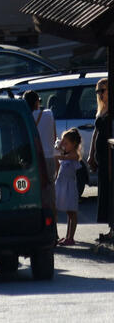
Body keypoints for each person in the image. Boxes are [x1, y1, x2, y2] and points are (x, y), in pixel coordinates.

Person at [87, 77, 113, 242]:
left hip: (110, 158)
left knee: (110, 192)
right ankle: (111, 229)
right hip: (102, 159)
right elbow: (96, 132)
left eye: (102, 90)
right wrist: (91, 153)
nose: (100, 94)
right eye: (98, 91)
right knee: (104, 193)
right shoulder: (101, 109)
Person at [56, 128, 83, 246]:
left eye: (66, 143)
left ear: (74, 144)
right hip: (63, 185)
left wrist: (57, 156)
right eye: (64, 142)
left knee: (72, 213)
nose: (64, 145)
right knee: (69, 213)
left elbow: (64, 158)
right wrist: (59, 145)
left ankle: (71, 237)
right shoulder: (66, 153)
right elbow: (60, 151)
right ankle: (67, 236)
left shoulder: (74, 155)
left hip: (70, 187)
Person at [24, 90, 57, 183]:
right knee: (49, 189)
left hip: (32, 160)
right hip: (49, 156)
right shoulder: (49, 114)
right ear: (37, 102)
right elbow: (54, 137)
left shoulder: (24, 117)